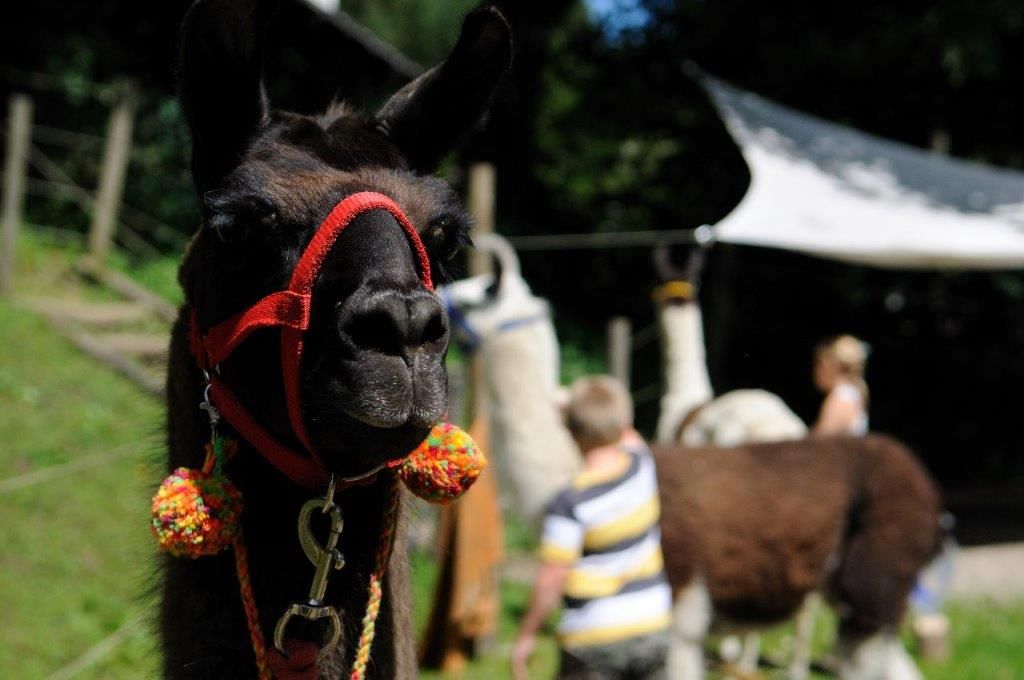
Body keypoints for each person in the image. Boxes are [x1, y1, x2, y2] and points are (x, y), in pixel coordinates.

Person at [512, 375, 671, 680]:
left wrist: (528, 633)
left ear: (570, 431)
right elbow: (625, 431)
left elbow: (553, 575)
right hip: (653, 623)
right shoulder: (642, 464)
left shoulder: (571, 502)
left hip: (594, 638)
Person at [812, 334, 869, 435]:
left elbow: (820, 443)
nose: (815, 371)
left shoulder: (840, 399)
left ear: (831, 367)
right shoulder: (852, 394)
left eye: (819, 365)